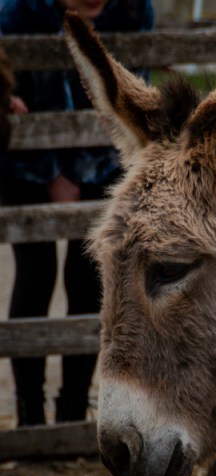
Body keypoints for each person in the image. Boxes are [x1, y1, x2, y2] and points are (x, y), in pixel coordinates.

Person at [0, 0, 154, 426]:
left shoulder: (133, 11)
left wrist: (77, 173)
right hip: (26, 161)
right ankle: (30, 414)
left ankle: (73, 409)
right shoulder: (16, 14)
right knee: (35, 271)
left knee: (90, 276)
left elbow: (134, 96)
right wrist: (49, 170)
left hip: (103, 160)